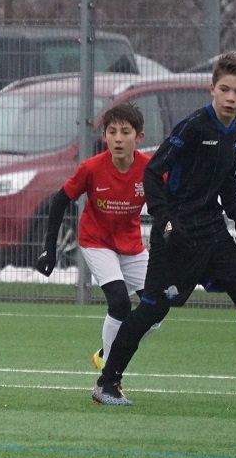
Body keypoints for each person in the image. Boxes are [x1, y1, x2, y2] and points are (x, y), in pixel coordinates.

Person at [91, 52, 236, 407]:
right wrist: (165, 219)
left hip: (213, 233)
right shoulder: (194, 126)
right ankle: (107, 383)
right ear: (212, 88)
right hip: (177, 235)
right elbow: (153, 172)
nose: (230, 98)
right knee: (152, 309)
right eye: (224, 89)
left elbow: (226, 178)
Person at [35, 103, 161, 370]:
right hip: (96, 242)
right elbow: (59, 201)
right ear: (104, 136)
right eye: (111, 132)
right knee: (120, 303)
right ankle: (109, 372)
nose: (118, 139)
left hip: (132, 246)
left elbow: (168, 206)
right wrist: (49, 248)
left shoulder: (150, 170)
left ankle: (108, 352)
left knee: (157, 308)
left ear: (139, 137)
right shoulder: (91, 168)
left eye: (125, 132)